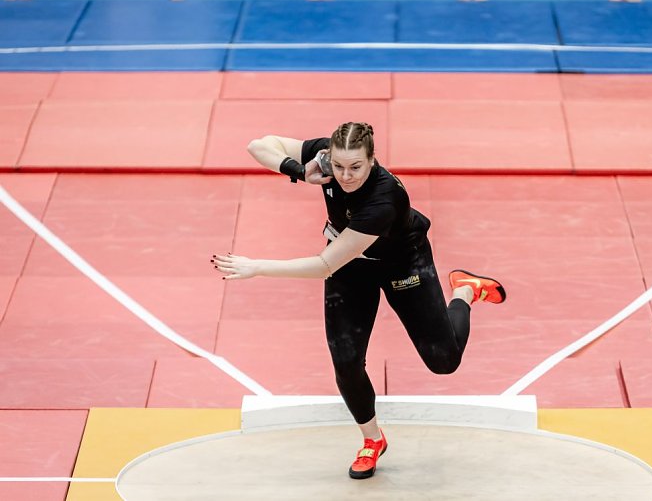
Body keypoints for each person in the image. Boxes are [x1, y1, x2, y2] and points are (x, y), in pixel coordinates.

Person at [212, 121, 505, 480]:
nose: (346, 176)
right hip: (351, 266)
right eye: (338, 166)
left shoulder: (384, 198)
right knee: (346, 361)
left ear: (372, 160)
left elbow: (324, 265)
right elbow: (260, 144)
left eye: (355, 167)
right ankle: (372, 440)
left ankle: (465, 291)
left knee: (444, 361)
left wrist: (257, 267)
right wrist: (298, 170)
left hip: (401, 263)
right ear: (329, 156)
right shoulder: (325, 158)